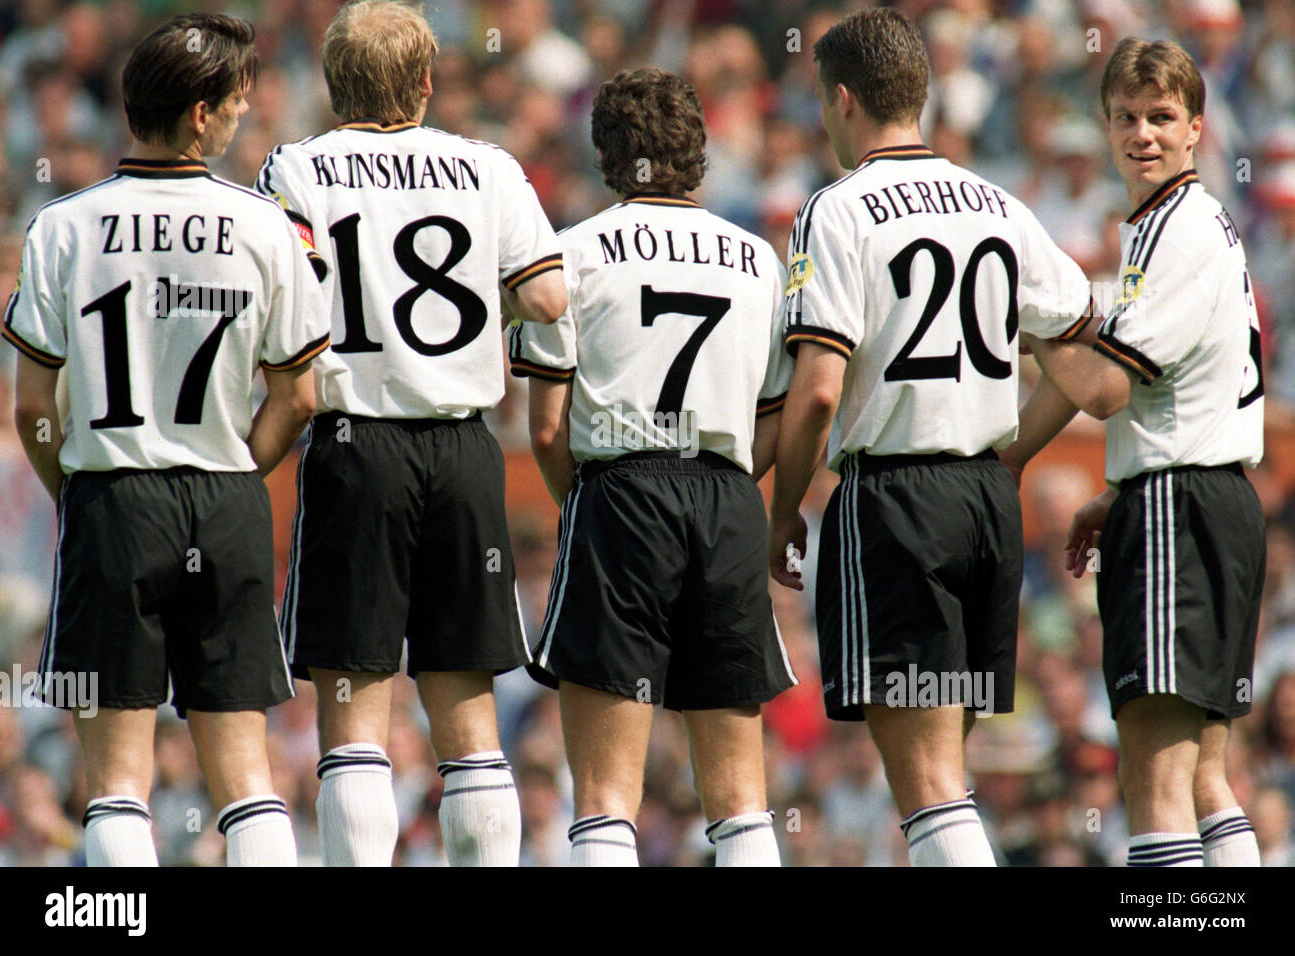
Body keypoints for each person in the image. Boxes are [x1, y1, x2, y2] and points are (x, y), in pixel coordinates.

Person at [767, 8, 1093, 866]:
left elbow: (817, 391)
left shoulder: (835, 211)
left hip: (895, 503)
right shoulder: (999, 203)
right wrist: (1013, 453)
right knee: (948, 772)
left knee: (927, 788)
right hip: (986, 503)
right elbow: (1085, 345)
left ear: (842, 99)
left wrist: (783, 509)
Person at [3, 14, 327, 866]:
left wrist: (75, 488)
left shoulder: (63, 226)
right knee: (246, 776)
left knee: (115, 782)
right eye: (235, 100)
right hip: (222, 498)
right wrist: (236, 473)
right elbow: (299, 398)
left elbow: (34, 405)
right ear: (197, 115)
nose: (244, 111)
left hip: (112, 495)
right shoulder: (266, 227)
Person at [255, 0, 566, 867]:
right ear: (427, 82)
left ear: (332, 84)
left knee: (356, 714)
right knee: (469, 720)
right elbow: (546, 297)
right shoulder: (487, 166)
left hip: (357, 446)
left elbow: (274, 295)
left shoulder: (299, 165)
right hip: (464, 449)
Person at [511, 67, 796, 866]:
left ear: (606, 154)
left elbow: (544, 430)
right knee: (742, 800)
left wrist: (596, 504)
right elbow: (773, 418)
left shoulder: (571, 254)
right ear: (699, 153)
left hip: (621, 491)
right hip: (728, 497)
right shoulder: (756, 260)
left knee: (604, 799)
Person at [1006, 37, 1265, 867]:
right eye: (1126, 116)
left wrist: (1043, 322)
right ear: (1106, 124)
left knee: (1154, 783)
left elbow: (1104, 388)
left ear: (1196, 128)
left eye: (1162, 117)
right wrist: (1111, 489)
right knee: (1202, 780)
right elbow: (1158, 390)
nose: (1142, 133)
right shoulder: (1174, 225)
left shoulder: (1178, 230)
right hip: (1200, 501)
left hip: (1178, 513)